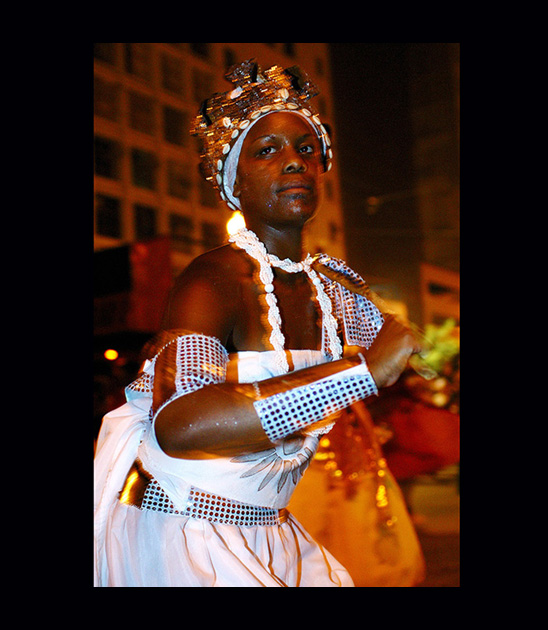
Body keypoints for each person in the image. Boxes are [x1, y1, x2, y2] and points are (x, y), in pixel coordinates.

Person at [93, 60, 423, 587]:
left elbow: (411, 357)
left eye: (306, 149)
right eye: (267, 151)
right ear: (235, 183)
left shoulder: (337, 292)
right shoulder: (214, 279)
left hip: (268, 528)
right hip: (182, 534)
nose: (294, 162)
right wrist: (359, 374)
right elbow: (181, 423)